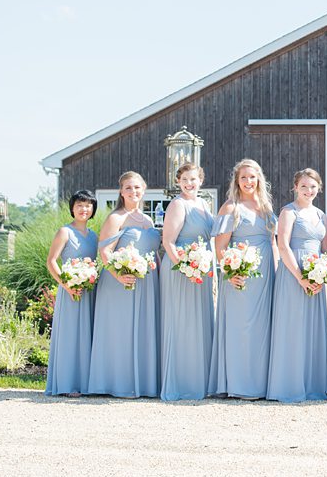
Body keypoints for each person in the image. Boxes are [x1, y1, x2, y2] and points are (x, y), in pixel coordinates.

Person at [87, 171, 161, 398]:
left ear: (144, 189)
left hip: (147, 284)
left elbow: (154, 252)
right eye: (128, 188)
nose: (133, 192)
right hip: (120, 282)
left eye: (137, 187)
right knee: (121, 331)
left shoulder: (147, 219)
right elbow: (104, 251)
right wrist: (119, 275)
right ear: (121, 191)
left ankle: (143, 384)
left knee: (143, 331)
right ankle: (116, 383)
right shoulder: (116, 218)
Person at [208, 159, 276, 399]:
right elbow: (220, 247)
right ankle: (240, 384)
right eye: (243, 177)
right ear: (236, 181)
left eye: (252, 177)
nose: (248, 182)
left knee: (262, 329)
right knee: (242, 327)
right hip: (242, 274)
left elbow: (272, 242)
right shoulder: (230, 207)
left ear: (259, 179)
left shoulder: (266, 206)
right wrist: (232, 272)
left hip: (266, 274)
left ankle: (260, 384)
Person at [267, 168, 327, 402]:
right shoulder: (289, 212)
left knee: (312, 328)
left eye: (313, 186)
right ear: (295, 187)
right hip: (293, 273)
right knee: (292, 326)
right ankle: (289, 385)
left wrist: (322, 275)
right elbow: (283, 246)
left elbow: (326, 249)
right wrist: (301, 277)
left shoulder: (322, 215)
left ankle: (313, 384)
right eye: (304, 186)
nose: (308, 190)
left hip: (316, 274)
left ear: (319, 188)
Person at [159, 163, 215, 401]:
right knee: (181, 322)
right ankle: (180, 384)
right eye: (184, 180)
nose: (189, 183)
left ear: (201, 180)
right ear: (178, 182)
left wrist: (203, 267)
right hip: (180, 270)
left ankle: (198, 382)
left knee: (199, 323)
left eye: (193, 179)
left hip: (200, 269)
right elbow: (168, 242)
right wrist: (185, 268)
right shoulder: (177, 204)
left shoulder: (204, 204)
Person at [44, 189, 99, 397]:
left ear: (92, 209)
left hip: (89, 291)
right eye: (79, 205)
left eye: (87, 205)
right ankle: (67, 384)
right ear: (72, 208)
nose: (84, 209)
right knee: (71, 335)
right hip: (70, 291)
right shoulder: (64, 232)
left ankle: (86, 383)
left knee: (87, 335)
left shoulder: (94, 236)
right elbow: (51, 261)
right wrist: (66, 284)